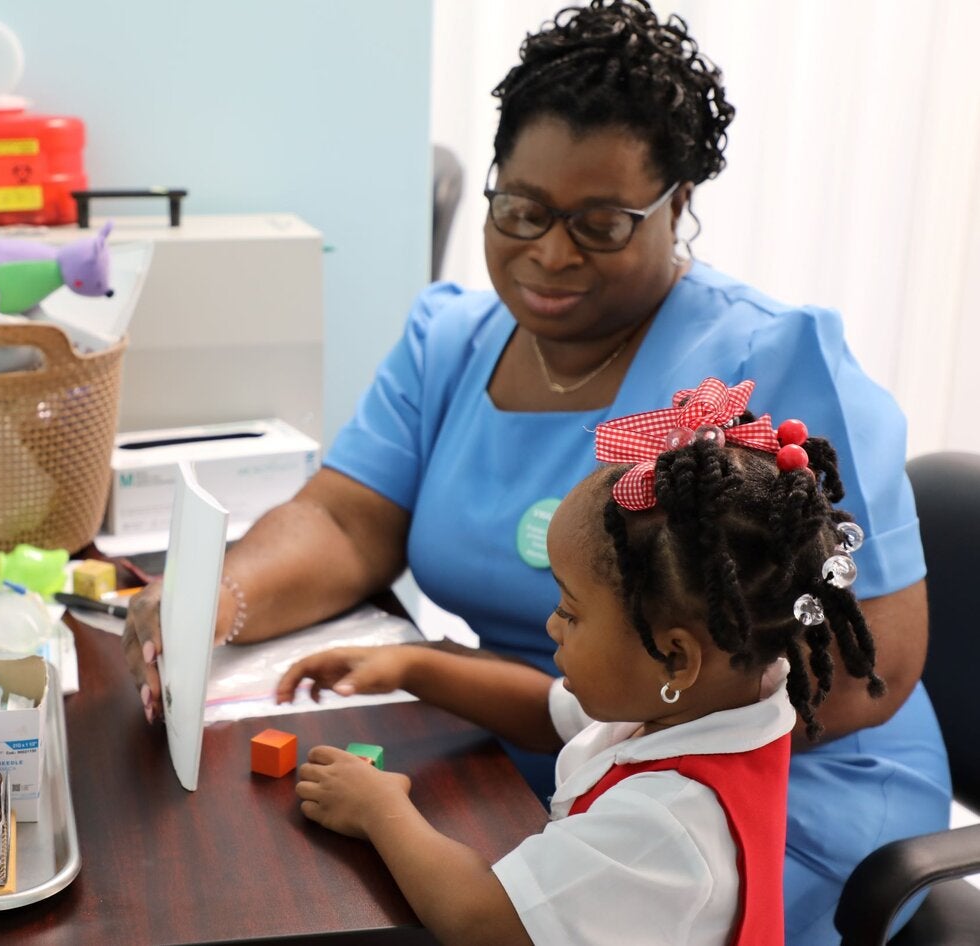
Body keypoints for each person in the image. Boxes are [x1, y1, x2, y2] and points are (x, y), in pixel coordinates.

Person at [122, 2, 950, 941]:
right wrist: (213, 602)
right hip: (566, 733)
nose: (550, 252)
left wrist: (620, 731)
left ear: (679, 205)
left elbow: (868, 663)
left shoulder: (770, 360)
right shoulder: (450, 341)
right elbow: (349, 521)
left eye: (601, 223)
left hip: (747, 792)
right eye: (522, 210)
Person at [276, 379, 879, 945]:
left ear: (675, 657)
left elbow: (481, 918)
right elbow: (545, 709)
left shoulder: (664, 824)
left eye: (570, 610)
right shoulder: (731, 686)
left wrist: (382, 810)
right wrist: (414, 666)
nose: (551, 624)